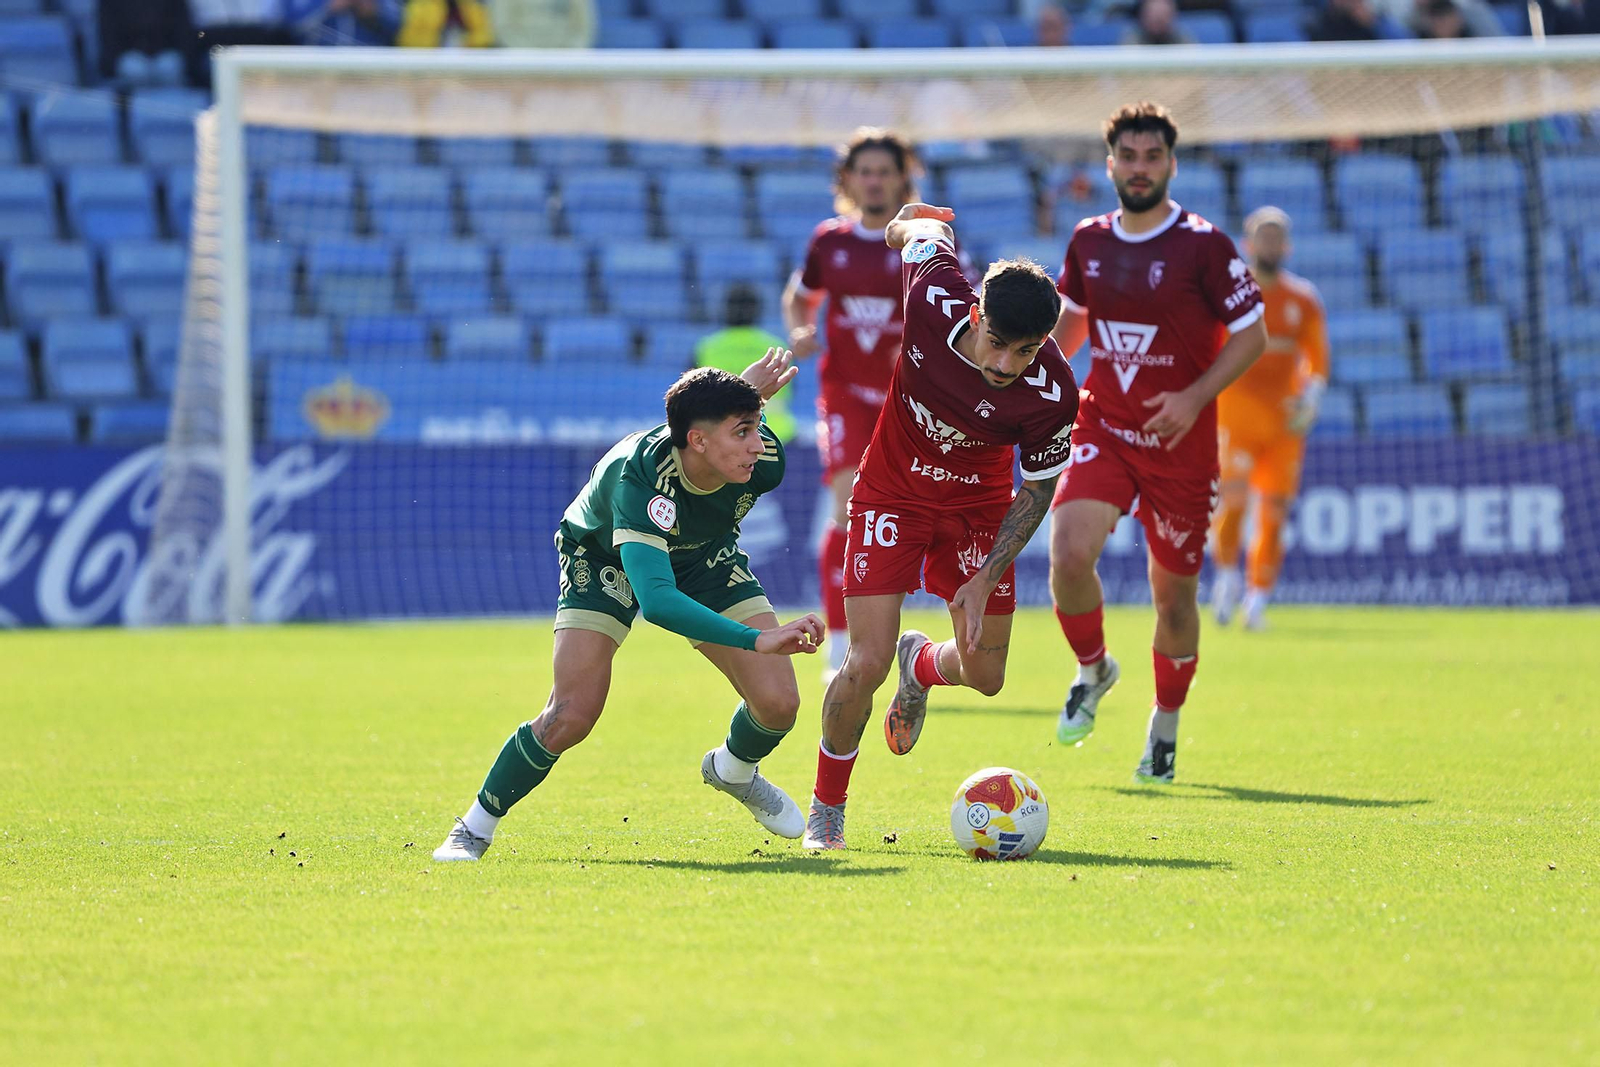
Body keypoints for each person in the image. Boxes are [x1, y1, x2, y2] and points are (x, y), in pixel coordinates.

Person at [432, 352, 827, 861]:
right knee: (572, 713)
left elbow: (714, 436)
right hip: (605, 558)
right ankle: (473, 827)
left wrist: (747, 403)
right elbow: (657, 601)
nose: (758, 445)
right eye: (743, 432)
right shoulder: (639, 478)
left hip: (704, 557)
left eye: (756, 428)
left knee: (779, 705)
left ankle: (732, 769)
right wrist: (758, 639)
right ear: (699, 441)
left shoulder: (764, 463)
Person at [801, 205, 1078, 851]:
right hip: (892, 492)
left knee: (985, 676)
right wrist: (908, 229)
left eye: (1028, 349)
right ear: (976, 313)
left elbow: (1038, 487)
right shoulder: (932, 291)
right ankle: (827, 809)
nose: (1008, 363)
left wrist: (985, 578)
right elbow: (917, 222)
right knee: (863, 660)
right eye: (999, 343)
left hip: (979, 508)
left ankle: (922, 666)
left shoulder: (1053, 392)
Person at [1048, 101, 1267, 785]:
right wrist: (1032, 386)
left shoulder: (1203, 244)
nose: (1139, 169)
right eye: (1128, 157)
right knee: (1068, 551)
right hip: (1104, 427)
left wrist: (1195, 396)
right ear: (1109, 163)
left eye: (1152, 158)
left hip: (1181, 445)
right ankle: (1094, 669)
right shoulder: (1088, 239)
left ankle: (1164, 727)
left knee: (1173, 599)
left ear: (1171, 164)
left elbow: (1252, 336)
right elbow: (1072, 329)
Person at [782, 129, 925, 683]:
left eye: (883, 171)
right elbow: (801, 295)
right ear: (848, 180)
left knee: (895, 519)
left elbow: (950, 311)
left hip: (905, 402)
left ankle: (893, 639)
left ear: (900, 179)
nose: (873, 180)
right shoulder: (829, 242)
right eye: (863, 171)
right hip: (842, 394)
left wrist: (914, 340)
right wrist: (801, 328)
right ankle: (840, 642)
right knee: (847, 508)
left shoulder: (921, 245)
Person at [1210, 207, 1330, 632]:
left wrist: (1312, 395)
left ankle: (1257, 600)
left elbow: (1317, 357)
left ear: (1288, 245)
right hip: (1235, 414)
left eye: (1278, 237)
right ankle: (1225, 578)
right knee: (1234, 503)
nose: (1271, 245)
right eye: (1264, 236)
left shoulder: (1303, 299)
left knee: (1275, 513)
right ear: (1248, 243)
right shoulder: (1228, 293)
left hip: (1283, 420)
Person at [696, 283, 797, 443]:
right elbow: (791, 389)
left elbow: (692, 396)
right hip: (777, 435)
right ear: (757, 311)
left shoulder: (707, 348)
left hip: (725, 438)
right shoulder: (778, 347)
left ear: (726, 310)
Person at [1121, 0, 1194, 45]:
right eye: (1154, 17)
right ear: (1143, 16)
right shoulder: (1133, 37)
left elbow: (1193, 60)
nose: (1159, 22)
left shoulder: (1181, 36)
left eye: (1163, 17)